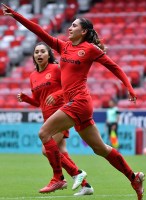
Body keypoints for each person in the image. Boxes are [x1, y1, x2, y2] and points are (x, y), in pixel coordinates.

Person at [2, 4, 144, 199]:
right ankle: (133, 177)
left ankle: (59, 177)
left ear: (83, 31)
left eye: (74, 26)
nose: (69, 28)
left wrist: (129, 87)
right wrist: (15, 15)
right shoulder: (64, 47)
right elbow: (39, 31)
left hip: (80, 102)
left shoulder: (90, 49)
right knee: (101, 149)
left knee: (44, 133)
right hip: (77, 106)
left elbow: (115, 67)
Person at [17, 42, 94, 195]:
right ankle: (86, 186)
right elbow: (39, 101)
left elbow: (69, 87)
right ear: (33, 56)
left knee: (46, 150)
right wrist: (26, 99)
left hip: (62, 115)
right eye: (36, 52)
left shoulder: (56, 68)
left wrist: (57, 94)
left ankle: (69, 176)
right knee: (62, 152)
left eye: (42, 52)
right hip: (48, 119)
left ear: (49, 54)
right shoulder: (33, 76)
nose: (39, 54)